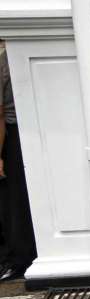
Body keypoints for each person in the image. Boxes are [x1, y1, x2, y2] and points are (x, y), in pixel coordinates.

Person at [0, 40, 37, 282]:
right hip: (23, 130)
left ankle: (16, 260)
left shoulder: (4, 58)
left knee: (12, 202)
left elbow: (0, 113)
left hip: (11, 135)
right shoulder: (11, 52)